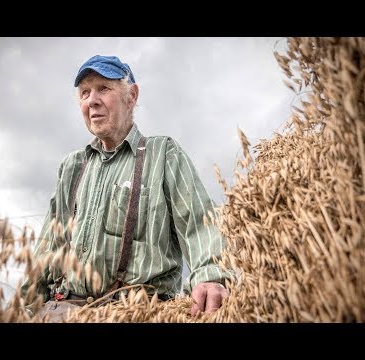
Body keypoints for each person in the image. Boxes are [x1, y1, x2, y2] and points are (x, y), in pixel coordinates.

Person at [22, 55, 232, 322]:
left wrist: (211, 277)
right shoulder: (73, 167)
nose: (92, 100)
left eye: (103, 88)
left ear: (131, 96)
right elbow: (48, 248)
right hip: (63, 309)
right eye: (85, 92)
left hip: (139, 311)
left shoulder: (162, 154)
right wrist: (22, 308)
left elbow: (200, 223)